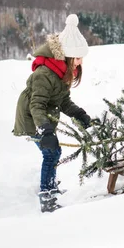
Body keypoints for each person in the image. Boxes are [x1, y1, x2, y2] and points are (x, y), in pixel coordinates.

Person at [13, 13, 94, 202]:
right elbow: (36, 104)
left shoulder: (63, 71)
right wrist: (45, 130)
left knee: (54, 152)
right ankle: (46, 192)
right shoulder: (45, 74)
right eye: (78, 57)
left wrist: (80, 115)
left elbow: (63, 101)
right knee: (52, 152)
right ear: (66, 55)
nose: (81, 62)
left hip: (43, 117)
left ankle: (50, 185)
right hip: (32, 117)